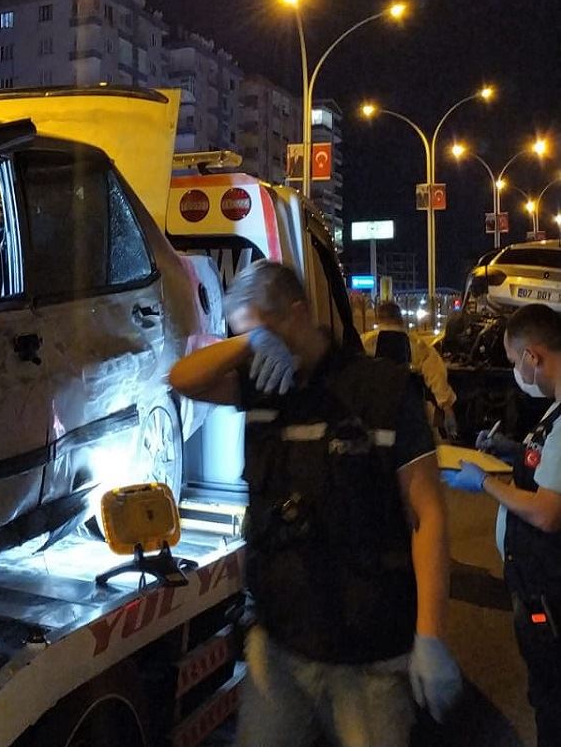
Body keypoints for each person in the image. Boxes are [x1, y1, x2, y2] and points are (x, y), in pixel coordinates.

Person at [169, 261, 458, 747]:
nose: (255, 348)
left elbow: (428, 516)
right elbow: (182, 379)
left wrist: (430, 634)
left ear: (298, 314)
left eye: (259, 329)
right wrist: (249, 343)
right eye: (242, 336)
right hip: (280, 647)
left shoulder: (382, 390)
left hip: (368, 658)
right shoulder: (263, 384)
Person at [443, 302, 561, 747]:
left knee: (551, 698)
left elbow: (548, 513)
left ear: (534, 356)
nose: (515, 371)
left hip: (549, 594)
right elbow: (547, 464)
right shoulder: (554, 412)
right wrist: (512, 451)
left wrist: (487, 484)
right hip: (539, 586)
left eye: (514, 362)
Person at [361, 299, 459, 439]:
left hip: (373, 412)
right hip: (407, 411)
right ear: (400, 319)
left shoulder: (365, 342)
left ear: (379, 318)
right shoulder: (418, 345)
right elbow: (436, 376)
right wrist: (447, 409)